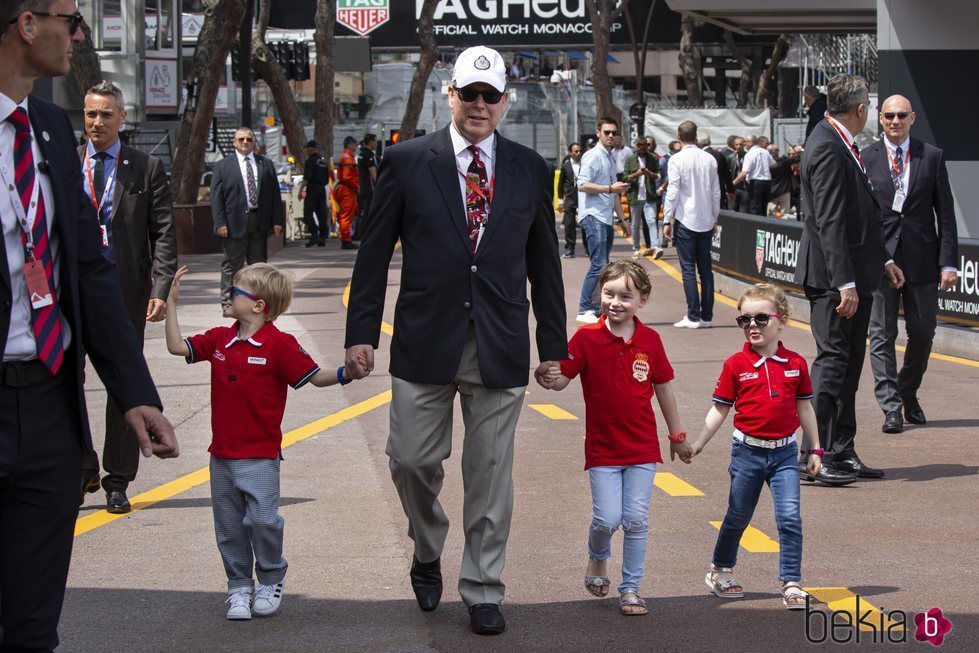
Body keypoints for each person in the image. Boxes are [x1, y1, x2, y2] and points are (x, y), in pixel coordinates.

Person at [343, 45, 567, 636]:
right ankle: (426, 547)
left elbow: (545, 266)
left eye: (490, 96)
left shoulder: (529, 167)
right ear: (450, 94)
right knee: (412, 460)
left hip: (499, 341)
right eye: (469, 93)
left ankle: (483, 587)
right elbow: (371, 256)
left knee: (491, 473)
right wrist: (361, 334)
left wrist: (555, 347)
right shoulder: (408, 161)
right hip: (424, 339)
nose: (479, 105)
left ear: (505, 102)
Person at [0, 4, 179, 649]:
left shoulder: (47, 128)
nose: (78, 35)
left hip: (49, 403)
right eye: (70, 19)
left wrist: (134, 392)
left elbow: (88, 269)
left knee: (33, 624)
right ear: (26, 24)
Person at [165, 263, 358, 620]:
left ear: (258, 306)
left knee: (262, 521)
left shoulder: (280, 344)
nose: (228, 294)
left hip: (260, 455)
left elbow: (315, 378)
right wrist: (172, 303)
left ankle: (270, 577)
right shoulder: (220, 338)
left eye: (235, 291)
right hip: (221, 455)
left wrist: (349, 372)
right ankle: (239, 587)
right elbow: (178, 347)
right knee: (228, 528)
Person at [541, 261, 688, 617]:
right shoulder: (587, 338)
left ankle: (631, 588)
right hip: (603, 449)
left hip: (641, 448)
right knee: (607, 519)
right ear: (599, 294)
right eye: (609, 294)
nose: (616, 302)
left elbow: (664, 388)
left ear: (643, 300)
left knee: (636, 519)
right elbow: (563, 379)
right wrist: (549, 374)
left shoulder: (650, 340)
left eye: (626, 295)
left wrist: (677, 434)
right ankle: (598, 556)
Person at [794, 73, 905, 485]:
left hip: (854, 272)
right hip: (833, 278)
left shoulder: (836, 140)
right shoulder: (827, 145)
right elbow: (831, 219)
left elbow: (858, 217)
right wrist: (844, 282)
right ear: (861, 109)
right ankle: (813, 455)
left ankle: (841, 449)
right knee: (834, 362)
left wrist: (881, 262)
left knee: (848, 363)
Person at [687, 284, 823, 610]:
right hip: (747, 452)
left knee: (790, 518)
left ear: (783, 321)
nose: (752, 325)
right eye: (744, 319)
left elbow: (805, 407)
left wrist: (815, 448)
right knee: (737, 515)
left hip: (786, 454)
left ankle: (791, 581)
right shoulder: (736, 364)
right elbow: (720, 408)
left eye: (761, 318)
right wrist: (699, 443)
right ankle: (720, 570)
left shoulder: (796, 363)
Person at [78, 80, 178, 514]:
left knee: (123, 384)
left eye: (105, 114)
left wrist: (160, 288)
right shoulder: (64, 163)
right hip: (68, 291)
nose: (96, 122)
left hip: (124, 292)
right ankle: (82, 465)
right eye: (90, 114)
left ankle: (118, 480)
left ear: (122, 117)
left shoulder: (145, 167)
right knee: (65, 381)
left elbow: (164, 233)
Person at [866, 94, 958, 434]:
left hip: (923, 259)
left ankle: (908, 390)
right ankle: (891, 406)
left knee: (922, 331)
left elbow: (945, 214)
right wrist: (879, 256)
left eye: (901, 115)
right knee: (881, 335)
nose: (895, 121)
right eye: (889, 115)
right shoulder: (865, 158)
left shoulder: (931, 156)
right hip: (881, 259)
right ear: (880, 118)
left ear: (912, 118)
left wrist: (949, 262)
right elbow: (864, 217)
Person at [211, 126, 284, 314]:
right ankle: (228, 303)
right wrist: (220, 223)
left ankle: (258, 302)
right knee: (231, 266)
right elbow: (216, 197)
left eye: (249, 139)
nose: (245, 142)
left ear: (254, 143)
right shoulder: (223, 166)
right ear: (235, 142)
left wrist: (277, 221)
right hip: (233, 223)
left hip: (259, 222)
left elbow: (275, 195)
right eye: (241, 139)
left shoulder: (265, 164)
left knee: (258, 267)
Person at [662, 120, 720, 329]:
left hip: (686, 219)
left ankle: (693, 315)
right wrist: (715, 218)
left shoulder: (676, 160)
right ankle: (706, 316)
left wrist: (667, 220)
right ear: (696, 136)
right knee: (706, 270)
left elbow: (673, 192)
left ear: (678, 136)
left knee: (688, 270)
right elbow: (716, 192)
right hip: (705, 219)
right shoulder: (709, 159)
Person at [576, 116, 631, 324]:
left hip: (606, 217)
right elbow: (582, 185)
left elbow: (615, 193)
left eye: (613, 133)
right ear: (598, 132)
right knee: (599, 264)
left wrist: (623, 219)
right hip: (593, 215)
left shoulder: (609, 157)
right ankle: (584, 307)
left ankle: (594, 307)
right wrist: (610, 189)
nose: (610, 136)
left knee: (602, 264)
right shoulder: (592, 156)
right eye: (606, 132)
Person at [623, 137, 663, 260]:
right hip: (635, 196)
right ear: (636, 146)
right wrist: (637, 174)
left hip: (649, 196)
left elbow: (659, 176)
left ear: (647, 146)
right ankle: (636, 248)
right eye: (639, 145)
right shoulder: (630, 159)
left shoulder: (653, 158)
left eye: (644, 145)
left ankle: (655, 246)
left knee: (651, 222)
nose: (642, 147)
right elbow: (624, 177)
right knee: (635, 224)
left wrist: (650, 174)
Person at [733, 135, 775, 216]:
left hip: (756, 182)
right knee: (764, 206)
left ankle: (756, 227)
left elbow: (744, 172)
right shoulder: (765, 151)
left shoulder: (750, 154)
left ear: (750, 143)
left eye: (745, 141)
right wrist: (764, 167)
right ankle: (763, 226)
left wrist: (733, 183)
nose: (744, 144)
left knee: (755, 207)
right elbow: (774, 164)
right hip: (767, 182)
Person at [300, 139, 329, 247]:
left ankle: (314, 234)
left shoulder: (311, 161)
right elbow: (327, 179)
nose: (307, 150)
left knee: (307, 213)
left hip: (312, 188)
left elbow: (306, 178)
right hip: (321, 188)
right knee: (321, 214)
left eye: (307, 148)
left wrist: (300, 190)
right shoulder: (323, 161)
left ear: (311, 149)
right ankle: (322, 237)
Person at [557, 142, 583, 258]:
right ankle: (569, 249)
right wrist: (560, 201)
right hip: (570, 198)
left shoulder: (585, 164)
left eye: (579, 151)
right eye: (575, 151)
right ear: (570, 152)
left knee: (586, 224)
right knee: (569, 224)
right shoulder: (566, 166)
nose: (578, 153)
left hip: (583, 198)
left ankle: (589, 248)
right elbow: (560, 184)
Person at [334, 135, 359, 250]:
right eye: (354, 144)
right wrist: (357, 187)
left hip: (345, 189)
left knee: (346, 214)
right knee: (346, 215)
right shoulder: (348, 158)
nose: (356, 146)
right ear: (349, 144)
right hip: (347, 190)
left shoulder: (346, 156)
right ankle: (346, 240)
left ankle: (346, 238)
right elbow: (348, 177)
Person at [698, 132, 734, 210]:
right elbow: (727, 174)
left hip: (702, 192)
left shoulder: (698, 156)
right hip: (719, 190)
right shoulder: (719, 155)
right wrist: (731, 190)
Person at [356, 133, 378, 238]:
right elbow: (373, 174)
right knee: (370, 211)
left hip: (363, 187)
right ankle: (366, 234)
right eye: (375, 141)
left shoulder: (360, 154)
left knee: (364, 211)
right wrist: (379, 185)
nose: (377, 144)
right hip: (370, 188)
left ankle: (361, 233)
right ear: (371, 141)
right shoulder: (369, 155)